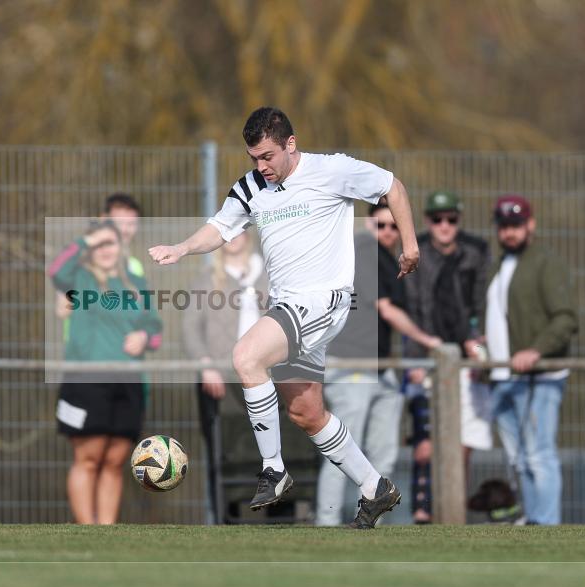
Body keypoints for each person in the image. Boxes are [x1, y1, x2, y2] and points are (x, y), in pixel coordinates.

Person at [149, 106, 420, 529]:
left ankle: (273, 469)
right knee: (306, 412)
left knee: (245, 357)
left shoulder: (333, 170)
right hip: (289, 306)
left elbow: (393, 187)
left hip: (323, 300)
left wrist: (410, 244)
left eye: (268, 156)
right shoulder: (251, 186)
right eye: (254, 158)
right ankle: (374, 487)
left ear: (290, 144)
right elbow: (220, 229)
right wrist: (182, 248)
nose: (262, 166)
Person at [315, 203, 441, 526]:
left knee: (383, 453)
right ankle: (326, 523)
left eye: (393, 226)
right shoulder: (362, 248)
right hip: (351, 366)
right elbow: (387, 310)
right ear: (368, 223)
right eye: (380, 224)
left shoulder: (387, 259)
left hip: (381, 368)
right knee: (342, 451)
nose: (387, 231)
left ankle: (373, 522)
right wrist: (429, 342)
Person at [47, 219, 163, 524]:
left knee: (114, 460)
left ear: (121, 247)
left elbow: (155, 329)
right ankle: (88, 529)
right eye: (98, 244)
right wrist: (86, 240)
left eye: (109, 243)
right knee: (88, 457)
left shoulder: (136, 285)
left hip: (128, 381)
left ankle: (106, 532)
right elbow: (55, 271)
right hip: (85, 380)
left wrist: (144, 338)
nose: (105, 250)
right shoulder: (79, 279)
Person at [485, 195, 578, 526]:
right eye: (504, 226)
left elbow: (566, 319)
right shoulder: (497, 266)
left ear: (531, 225)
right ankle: (535, 524)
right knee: (519, 459)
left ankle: (547, 524)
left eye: (516, 225)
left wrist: (535, 350)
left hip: (541, 376)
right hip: (503, 377)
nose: (510, 232)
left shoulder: (545, 262)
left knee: (540, 456)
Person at [403, 191, 492, 524]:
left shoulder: (476, 252)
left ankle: (454, 513)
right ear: (428, 221)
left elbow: (480, 302)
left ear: (459, 220)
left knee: (464, 442)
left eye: (451, 219)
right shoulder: (417, 252)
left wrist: (477, 343)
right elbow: (410, 307)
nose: (444, 226)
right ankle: (423, 509)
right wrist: (414, 358)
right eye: (437, 219)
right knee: (425, 444)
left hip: (465, 357)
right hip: (427, 355)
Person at [181, 232, 268, 523]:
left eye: (238, 229)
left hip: (265, 375)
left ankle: (281, 516)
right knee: (223, 450)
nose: (232, 237)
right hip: (220, 378)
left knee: (272, 447)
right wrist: (207, 366)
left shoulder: (268, 274)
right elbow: (190, 329)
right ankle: (226, 519)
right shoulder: (207, 278)